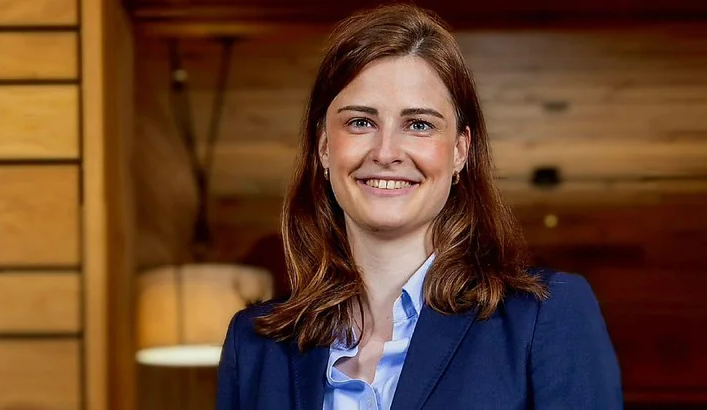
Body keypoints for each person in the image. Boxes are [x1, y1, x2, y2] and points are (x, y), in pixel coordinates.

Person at [216, 4, 622, 409]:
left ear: (460, 151)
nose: (386, 152)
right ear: (324, 146)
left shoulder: (544, 316)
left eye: (419, 125)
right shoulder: (255, 347)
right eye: (360, 122)